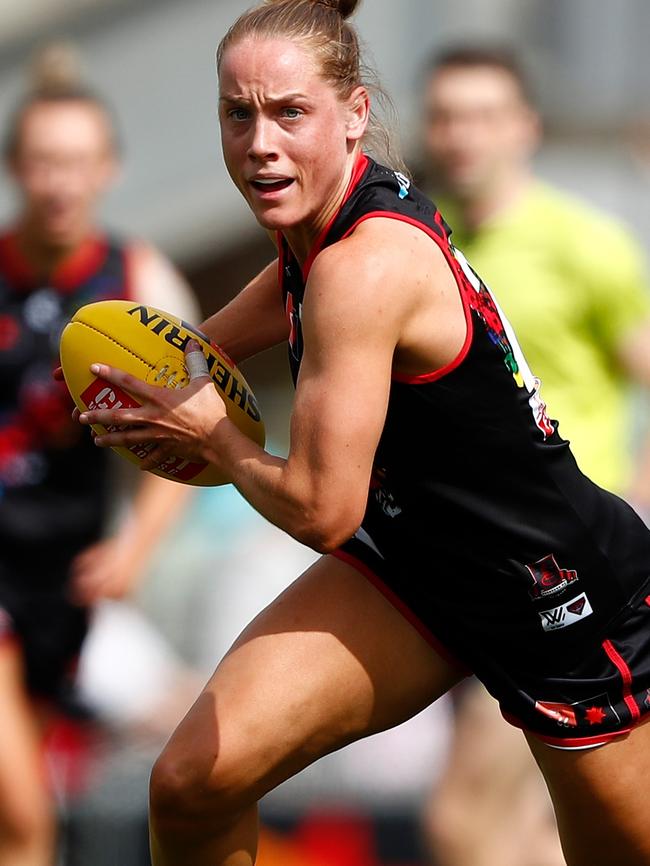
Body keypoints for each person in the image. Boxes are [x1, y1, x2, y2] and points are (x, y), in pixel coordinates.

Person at [77, 3, 650, 865]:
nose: (261, 142)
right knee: (193, 785)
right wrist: (176, 363)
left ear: (355, 115)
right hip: (416, 566)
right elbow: (289, 286)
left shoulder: (366, 266)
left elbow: (321, 511)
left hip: (554, 595)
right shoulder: (326, 220)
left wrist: (216, 439)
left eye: (289, 113)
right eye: (240, 113)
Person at [419, 45, 650, 866]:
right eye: (446, 116)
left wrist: (632, 496)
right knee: (544, 831)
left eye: (483, 116)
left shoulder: (585, 243)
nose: (462, 136)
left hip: (562, 569)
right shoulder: (422, 243)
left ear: (527, 129)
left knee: (464, 822)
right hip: (461, 565)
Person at [0, 46, 199, 865]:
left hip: (65, 580)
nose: (59, 182)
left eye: (78, 163)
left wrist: (135, 547)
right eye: (44, 162)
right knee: (24, 821)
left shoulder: (140, 283)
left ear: (109, 169)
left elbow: (198, 432)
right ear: (16, 167)